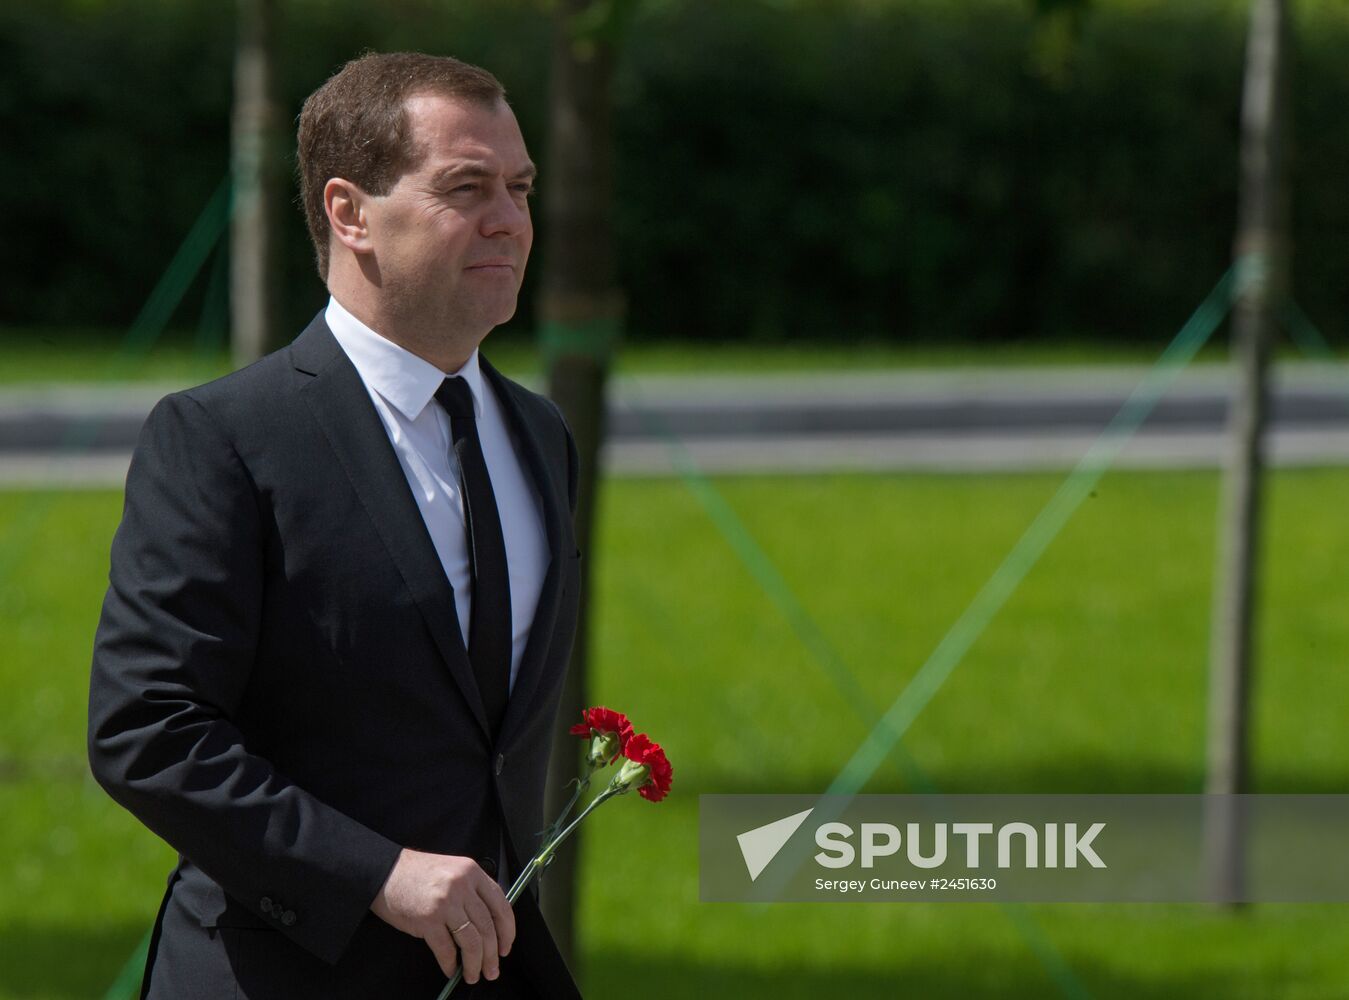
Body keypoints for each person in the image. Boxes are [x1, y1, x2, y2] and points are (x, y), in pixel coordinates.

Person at [88, 52, 583, 999]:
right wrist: (377, 875)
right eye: (466, 188)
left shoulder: (539, 434)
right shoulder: (225, 438)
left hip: (498, 970)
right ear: (349, 213)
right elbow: (147, 728)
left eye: (519, 187)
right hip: (283, 974)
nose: (511, 220)